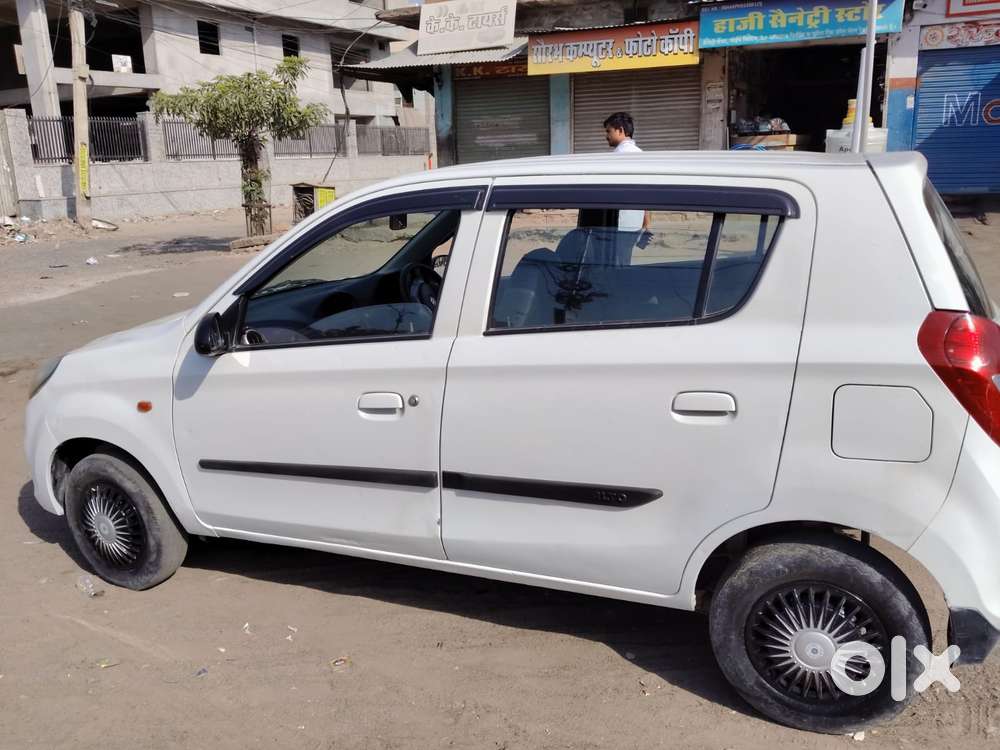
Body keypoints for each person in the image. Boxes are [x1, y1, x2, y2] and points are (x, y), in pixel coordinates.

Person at [602, 112, 650, 249]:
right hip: (634, 223)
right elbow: (646, 192)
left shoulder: (617, 157)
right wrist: (646, 223)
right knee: (623, 261)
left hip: (617, 224)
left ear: (621, 130)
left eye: (609, 131)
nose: (606, 136)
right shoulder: (642, 155)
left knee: (614, 264)